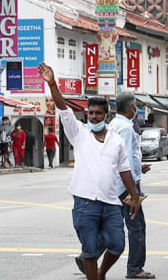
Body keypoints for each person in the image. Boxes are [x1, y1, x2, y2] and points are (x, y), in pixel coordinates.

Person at [40, 62, 139, 280]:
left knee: (117, 244)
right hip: (85, 203)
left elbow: (124, 170)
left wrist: (135, 196)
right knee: (90, 250)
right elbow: (63, 110)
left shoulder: (117, 141)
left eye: (98, 114)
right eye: (90, 113)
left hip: (112, 203)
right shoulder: (79, 134)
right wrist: (53, 84)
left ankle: (102, 273)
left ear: (106, 114)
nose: (93, 117)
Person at [108, 91, 154, 279]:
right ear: (131, 108)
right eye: (135, 106)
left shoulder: (113, 125)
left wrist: (139, 166)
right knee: (137, 226)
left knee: (111, 225)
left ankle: (88, 256)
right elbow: (124, 159)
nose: (136, 109)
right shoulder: (126, 128)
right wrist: (133, 191)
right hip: (126, 186)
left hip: (116, 184)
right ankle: (135, 268)